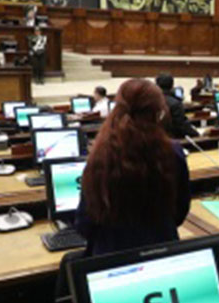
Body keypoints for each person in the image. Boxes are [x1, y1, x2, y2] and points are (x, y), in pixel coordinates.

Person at [75, 78, 191, 256]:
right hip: (162, 251)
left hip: (110, 257)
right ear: (159, 113)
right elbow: (179, 212)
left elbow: (84, 223)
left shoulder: (99, 155)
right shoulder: (174, 152)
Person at [156, 73, 198, 138]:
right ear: (172, 86)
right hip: (173, 140)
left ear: (156, 85)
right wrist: (197, 134)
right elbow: (181, 126)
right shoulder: (176, 104)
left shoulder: (151, 101)